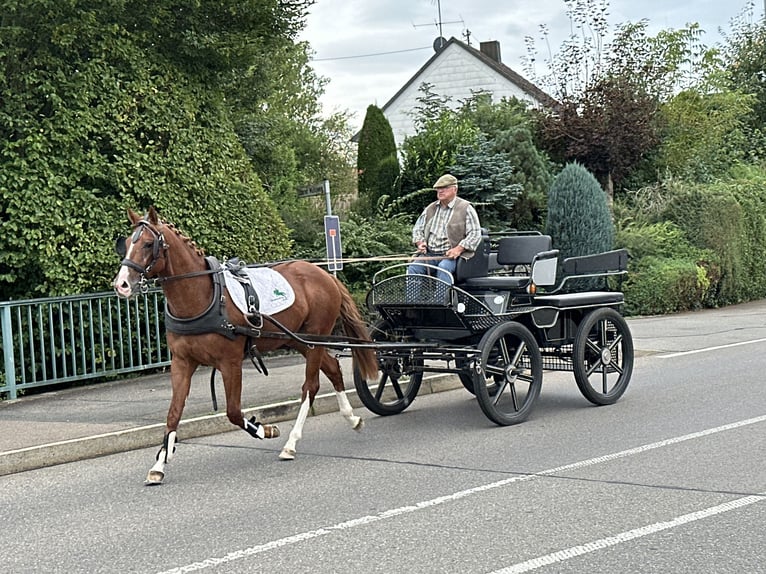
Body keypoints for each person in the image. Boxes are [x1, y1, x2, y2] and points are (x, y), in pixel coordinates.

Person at [407, 173, 482, 284]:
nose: (440, 191)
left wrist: (458, 249)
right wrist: (420, 242)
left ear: (455, 189)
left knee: (443, 268)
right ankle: (413, 301)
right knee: (413, 268)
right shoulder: (430, 208)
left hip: (453, 257)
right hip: (430, 255)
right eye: (438, 189)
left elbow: (475, 234)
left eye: (445, 188)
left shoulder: (466, 208)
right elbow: (417, 228)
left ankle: (442, 301)